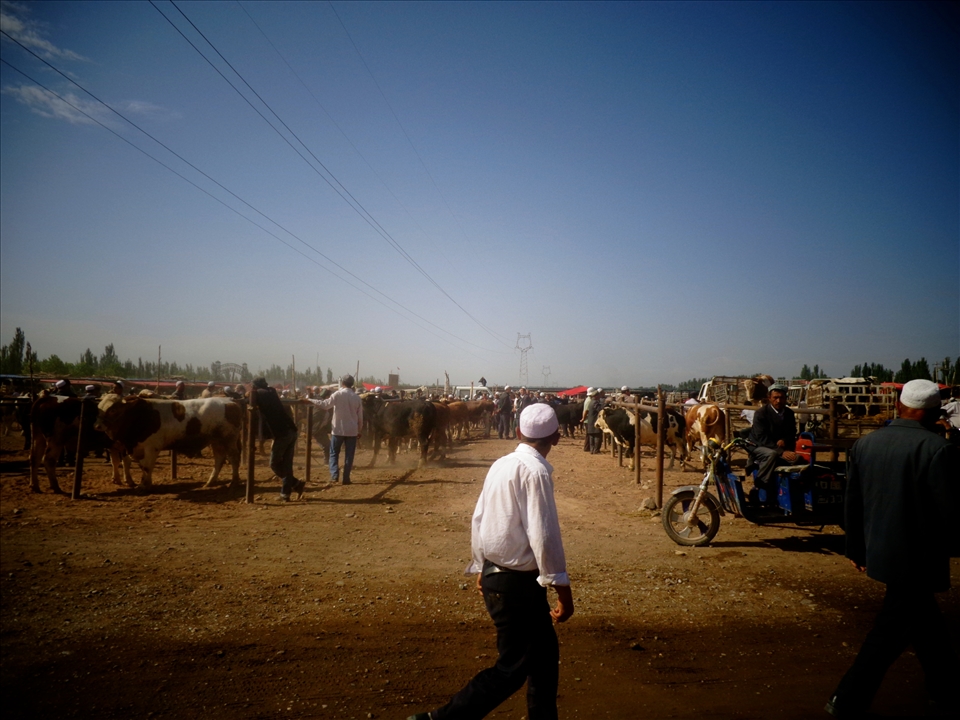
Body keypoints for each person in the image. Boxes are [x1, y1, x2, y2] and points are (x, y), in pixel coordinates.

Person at [408, 403, 573, 720]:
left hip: (503, 577)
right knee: (512, 668)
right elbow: (544, 536)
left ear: (517, 432)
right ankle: (439, 719)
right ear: (557, 437)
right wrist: (563, 594)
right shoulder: (536, 472)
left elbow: (480, 517)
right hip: (517, 584)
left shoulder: (502, 464)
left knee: (544, 657)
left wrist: (481, 563)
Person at [825, 379, 959, 718]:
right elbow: (949, 512)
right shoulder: (938, 449)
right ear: (933, 413)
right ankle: (846, 699)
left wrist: (855, 548)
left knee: (928, 630)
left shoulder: (866, 444)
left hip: (880, 553)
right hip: (917, 559)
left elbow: (851, 503)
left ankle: (946, 692)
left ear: (899, 406)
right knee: (889, 632)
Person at [250, 377, 302, 501]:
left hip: (282, 433)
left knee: (274, 463)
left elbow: (250, 400)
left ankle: (295, 484)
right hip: (290, 430)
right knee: (287, 464)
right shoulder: (271, 391)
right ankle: (286, 493)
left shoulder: (258, 393)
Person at [305, 374, 362, 485]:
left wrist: (310, 400)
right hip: (352, 430)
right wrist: (359, 430)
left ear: (343, 383)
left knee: (334, 453)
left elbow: (325, 405)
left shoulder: (337, 394)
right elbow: (360, 417)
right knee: (349, 455)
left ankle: (334, 475)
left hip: (338, 430)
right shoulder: (357, 397)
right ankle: (346, 478)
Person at [747, 383, 799, 494]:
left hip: (779, 447)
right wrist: (781, 451)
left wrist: (784, 440)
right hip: (758, 445)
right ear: (769, 398)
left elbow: (792, 432)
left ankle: (786, 488)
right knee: (772, 455)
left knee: (797, 459)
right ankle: (759, 485)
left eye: (781, 398)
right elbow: (761, 437)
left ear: (786, 399)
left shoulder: (789, 413)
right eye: (775, 398)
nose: (778, 401)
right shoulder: (761, 413)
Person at [583, 387, 602, 454]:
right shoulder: (595, 402)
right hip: (594, 421)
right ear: (596, 396)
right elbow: (600, 409)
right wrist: (605, 404)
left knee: (591, 436)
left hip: (590, 421)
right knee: (597, 435)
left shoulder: (590, 401)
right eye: (598, 395)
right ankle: (596, 450)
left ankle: (592, 450)